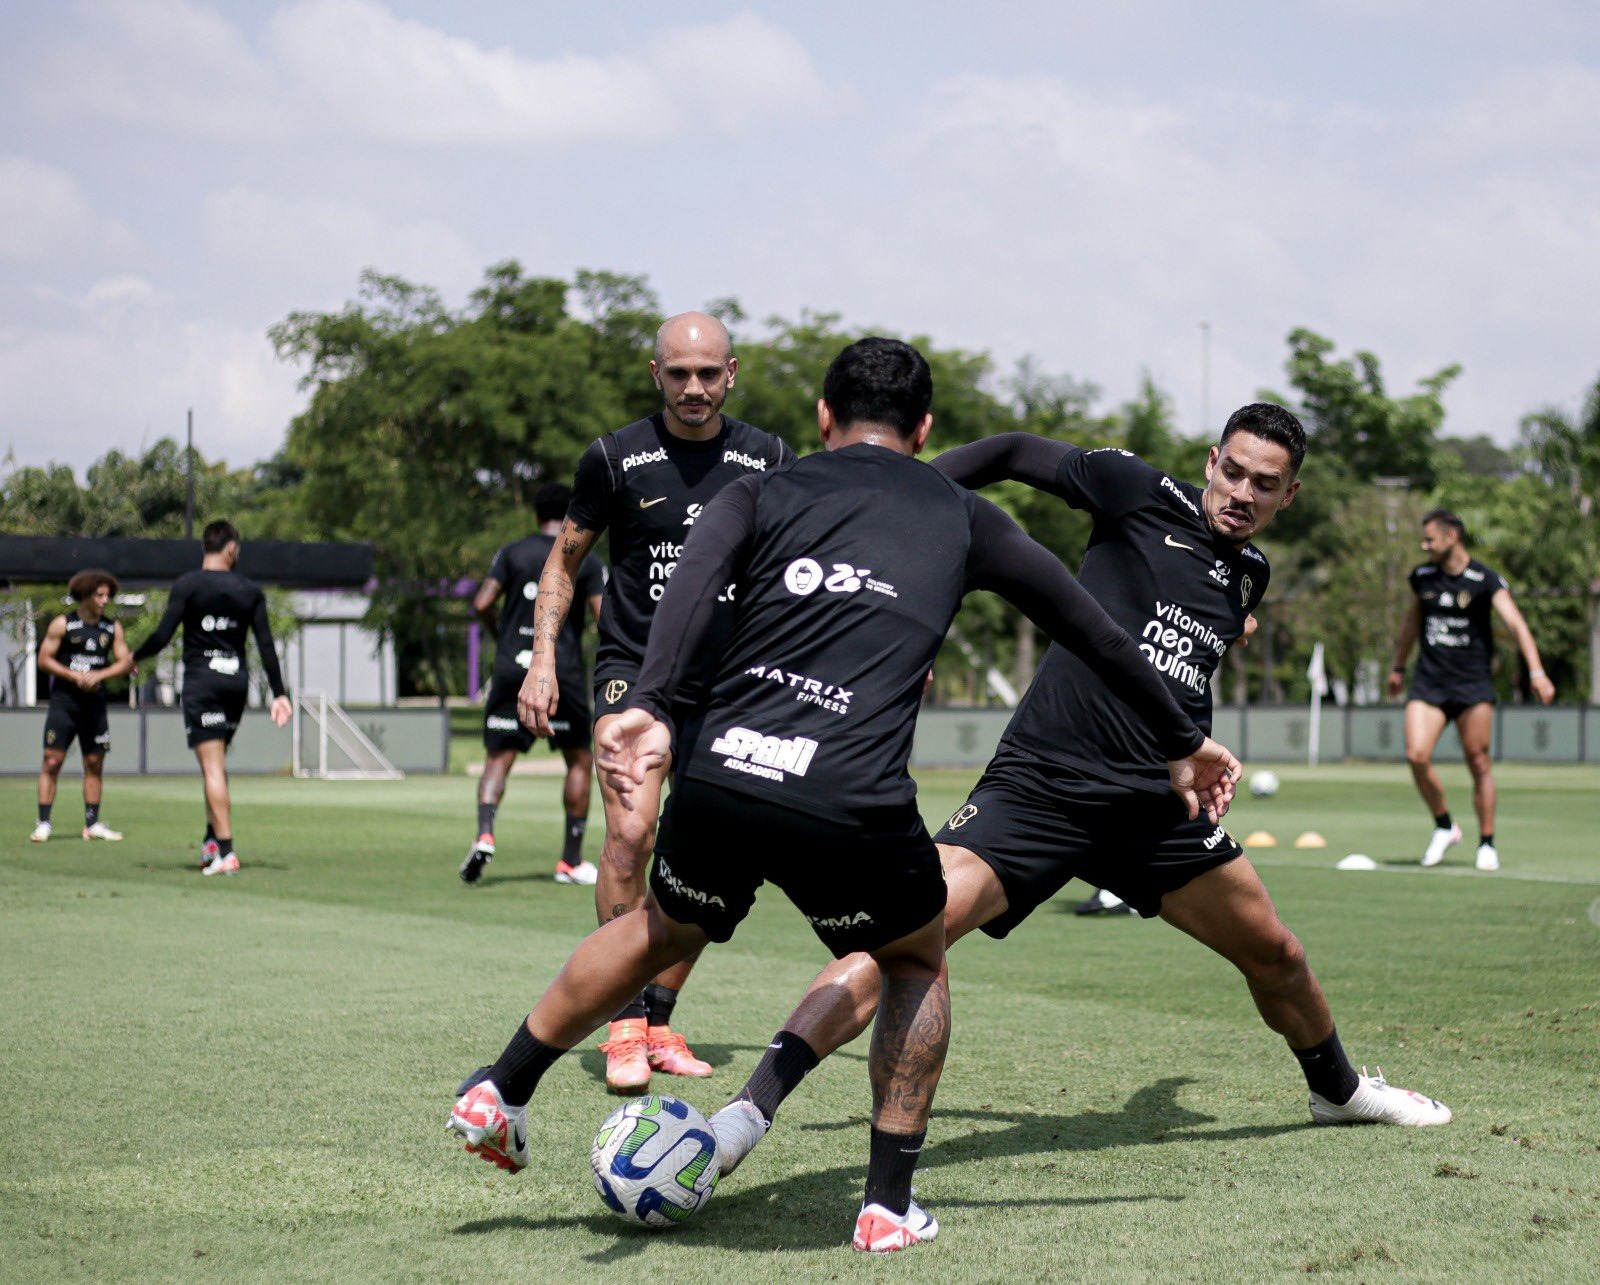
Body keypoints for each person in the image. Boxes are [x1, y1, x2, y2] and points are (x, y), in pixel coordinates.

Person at [447, 338, 1238, 1253]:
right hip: (849, 796)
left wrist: (653, 705)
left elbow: (694, 584)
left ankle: (499, 1089)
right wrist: (1185, 741)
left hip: (727, 769)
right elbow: (1097, 634)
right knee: (913, 957)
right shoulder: (963, 513)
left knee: (660, 927)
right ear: (927, 427)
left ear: (824, 418)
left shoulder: (760, 487)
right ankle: (887, 1203)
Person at [705, 405, 1452, 1194]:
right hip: (1041, 790)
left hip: (1153, 812)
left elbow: (1175, 672)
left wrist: (1184, 756)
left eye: (1264, 484)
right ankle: (747, 1113)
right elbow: (1014, 450)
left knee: (1279, 952)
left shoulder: (1249, 573)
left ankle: (1337, 1091)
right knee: (898, 938)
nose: (1241, 492)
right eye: (1232, 470)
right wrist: (904, 494)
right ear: (1210, 461)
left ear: (1288, 496)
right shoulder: (1135, 490)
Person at [517, 311, 794, 1092]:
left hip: (730, 682)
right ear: (656, 374)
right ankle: (623, 1025)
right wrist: (544, 660)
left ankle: (661, 1011)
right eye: (679, 374)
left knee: (711, 858)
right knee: (631, 836)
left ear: (731, 373)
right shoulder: (613, 457)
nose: (695, 388)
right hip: (633, 675)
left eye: (708, 374)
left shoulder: (769, 457)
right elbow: (562, 564)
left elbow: (797, 570)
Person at [1387, 509, 1554, 872]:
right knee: (1416, 755)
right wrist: (1398, 666)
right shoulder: (1422, 577)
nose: (1424, 545)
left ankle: (1487, 843)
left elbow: (1517, 624)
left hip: (1472, 685)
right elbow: (1411, 623)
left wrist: (1537, 672)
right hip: (1429, 682)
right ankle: (1445, 826)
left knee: (1478, 763)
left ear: (1452, 537)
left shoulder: (1484, 579)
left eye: (1430, 538)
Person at [460, 482, 606, 886]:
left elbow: (481, 603)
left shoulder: (511, 551)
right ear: (572, 512)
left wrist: (500, 636)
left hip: (513, 669)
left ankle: (485, 834)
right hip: (562, 673)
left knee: (498, 760)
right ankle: (570, 862)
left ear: (536, 513)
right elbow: (603, 616)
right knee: (579, 761)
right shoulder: (585, 557)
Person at [131, 520, 292, 875]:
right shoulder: (250, 590)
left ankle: (227, 852)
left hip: (202, 684)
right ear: (231, 548)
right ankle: (212, 843)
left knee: (212, 768)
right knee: (216, 767)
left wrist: (132, 657)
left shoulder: (188, 585)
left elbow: (161, 635)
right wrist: (280, 694)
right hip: (235, 684)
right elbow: (266, 645)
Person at [32, 569, 134, 842]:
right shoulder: (63, 624)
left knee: (94, 761)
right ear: (84, 595)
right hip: (64, 703)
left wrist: (99, 675)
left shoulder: (112, 628)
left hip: (95, 706)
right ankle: (43, 822)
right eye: (99, 595)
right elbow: (44, 659)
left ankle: (92, 823)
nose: (104, 600)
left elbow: (125, 662)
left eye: (107, 595)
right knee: (52, 761)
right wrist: (74, 675)